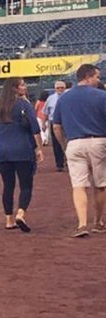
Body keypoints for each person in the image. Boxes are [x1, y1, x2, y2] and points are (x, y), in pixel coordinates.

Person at [51, 64, 106, 238]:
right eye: (97, 77)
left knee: (78, 185)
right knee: (101, 185)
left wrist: (64, 145)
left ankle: (82, 224)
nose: (99, 80)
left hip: (74, 143)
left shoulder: (64, 98)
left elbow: (56, 126)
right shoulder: (102, 96)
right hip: (98, 141)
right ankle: (97, 222)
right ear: (88, 76)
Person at [0, 78, 42, 232]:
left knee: (8, 186)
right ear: (14, 88)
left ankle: (8, 220)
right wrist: (39, 148)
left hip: (3, 151)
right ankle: (20, 213)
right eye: (22, 85)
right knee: (26, 185)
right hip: (22, 149)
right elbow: (35, 128)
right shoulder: (24, 105)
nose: (25, 87)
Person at [43, 80, 68, 170]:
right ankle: (59, 164)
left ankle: (68, 161)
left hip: (67, 122)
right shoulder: (50, 98)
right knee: (56, 144)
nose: (60, 89)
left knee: (68, 142)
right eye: (58, 88)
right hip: (54, 123)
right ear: (55, 89)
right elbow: (45, 112)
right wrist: (43, 124)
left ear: (65, 88)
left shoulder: (69, 97)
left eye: (62, 88)